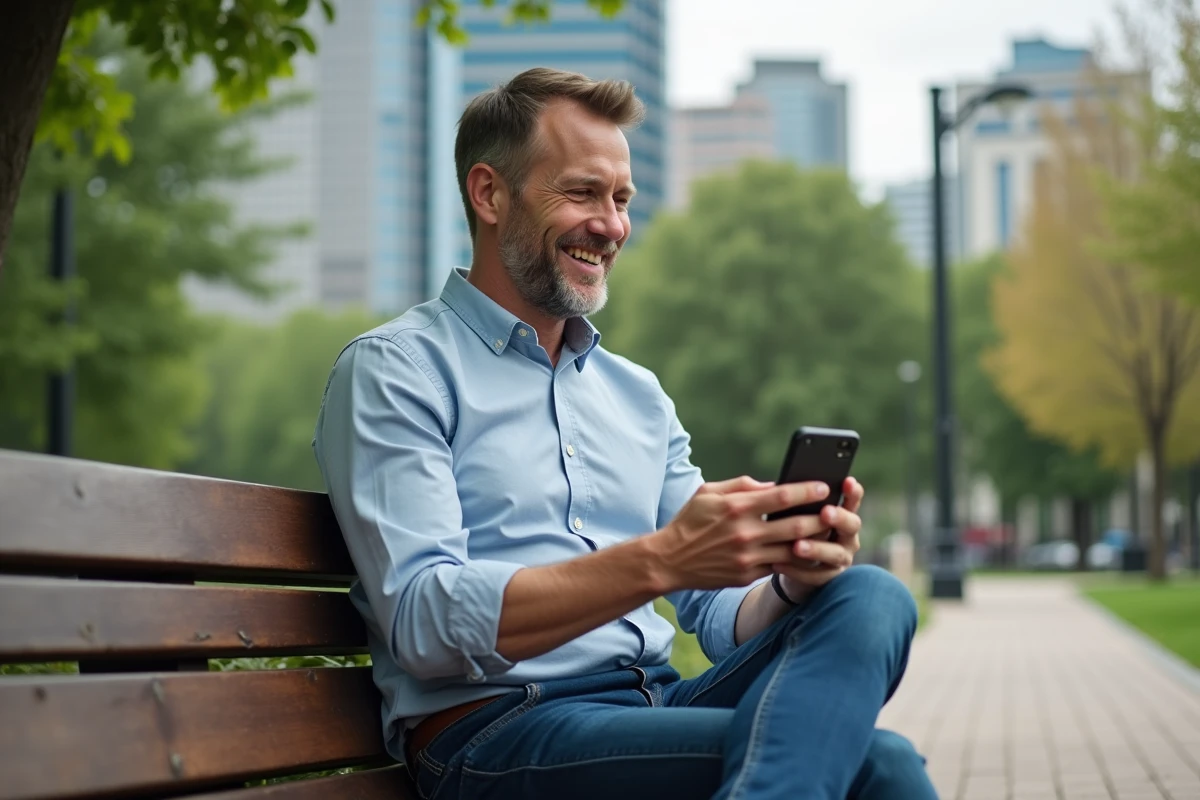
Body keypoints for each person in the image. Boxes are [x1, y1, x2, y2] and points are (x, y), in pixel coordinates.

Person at [313, 67, 937, 800]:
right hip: (498, 729)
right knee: (879, 765)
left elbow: (717, 614)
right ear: (489, 194)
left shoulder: (636, 395)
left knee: (870, 597)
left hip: (656, 706)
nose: (611, 225)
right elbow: (423, 620)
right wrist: (662, 559)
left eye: (621, 199)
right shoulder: (397, 371)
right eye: (581, 193)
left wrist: (788, 583)